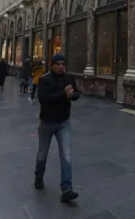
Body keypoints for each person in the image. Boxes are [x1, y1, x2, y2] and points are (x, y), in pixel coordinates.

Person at [34, 54, 81, 203]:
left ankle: (66, 188)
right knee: (42, 154)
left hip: (63, 123)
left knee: (66, 155)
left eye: (63, 64)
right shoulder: (45, 79)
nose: (61, 66)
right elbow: (44, 99)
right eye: (58, 64)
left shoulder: (69, 78)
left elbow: (77, 94)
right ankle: (38, 176)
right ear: (52, 65)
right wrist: (64, 94)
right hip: (47, 123)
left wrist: (72, 95)